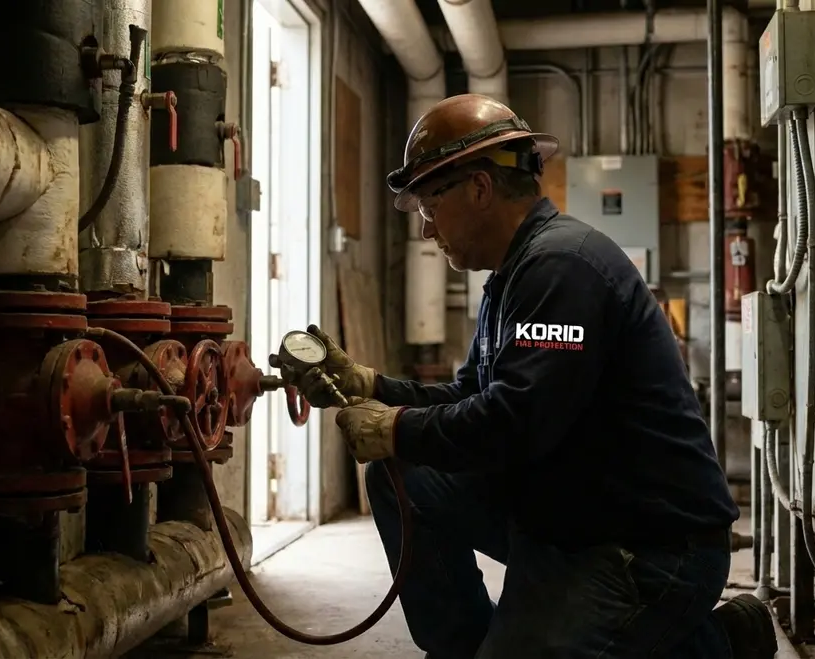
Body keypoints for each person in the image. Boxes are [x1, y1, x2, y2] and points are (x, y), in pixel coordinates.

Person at [275, 94, 778, 658]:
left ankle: (721, 642)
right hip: (570, 513)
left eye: (429, 206)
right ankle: (468, 644)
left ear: (480, 189)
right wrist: (372, 386)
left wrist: (395, 427)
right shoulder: (514, 275)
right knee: (404, 475)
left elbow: (515, 422)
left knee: (406, 448)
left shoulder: (560, 268)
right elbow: (473, 395)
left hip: (645, 543)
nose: (425, 230)